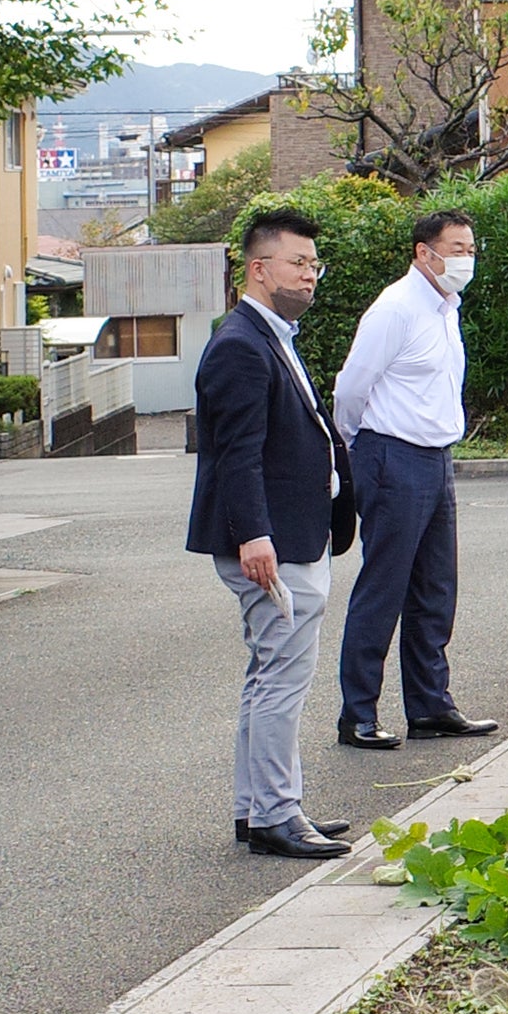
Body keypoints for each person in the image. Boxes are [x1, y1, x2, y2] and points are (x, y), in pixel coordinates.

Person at [186, 209, 356, 859]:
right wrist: (254, 535)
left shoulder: (271, 333)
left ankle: (257, 809)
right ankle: (277, 815)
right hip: (273, 542)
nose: (311, 275)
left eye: (315, 264)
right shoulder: (239, 343)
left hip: (290, 534)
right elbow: (236, 451)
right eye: (299, 263)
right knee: (281, 678)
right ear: (260, 269)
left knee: (269, 675)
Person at [332, 210, 497, 749]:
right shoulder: (396, 309)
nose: (465, 259)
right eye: (456, 248)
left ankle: (429, 706)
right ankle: (357, 713)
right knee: (385, 587)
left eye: (471, 249)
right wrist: (357, 446)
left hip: (435, 458)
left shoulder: (446, 307)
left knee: (434, 589)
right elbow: (351, 388)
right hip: (391, 455)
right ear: (425, 253)